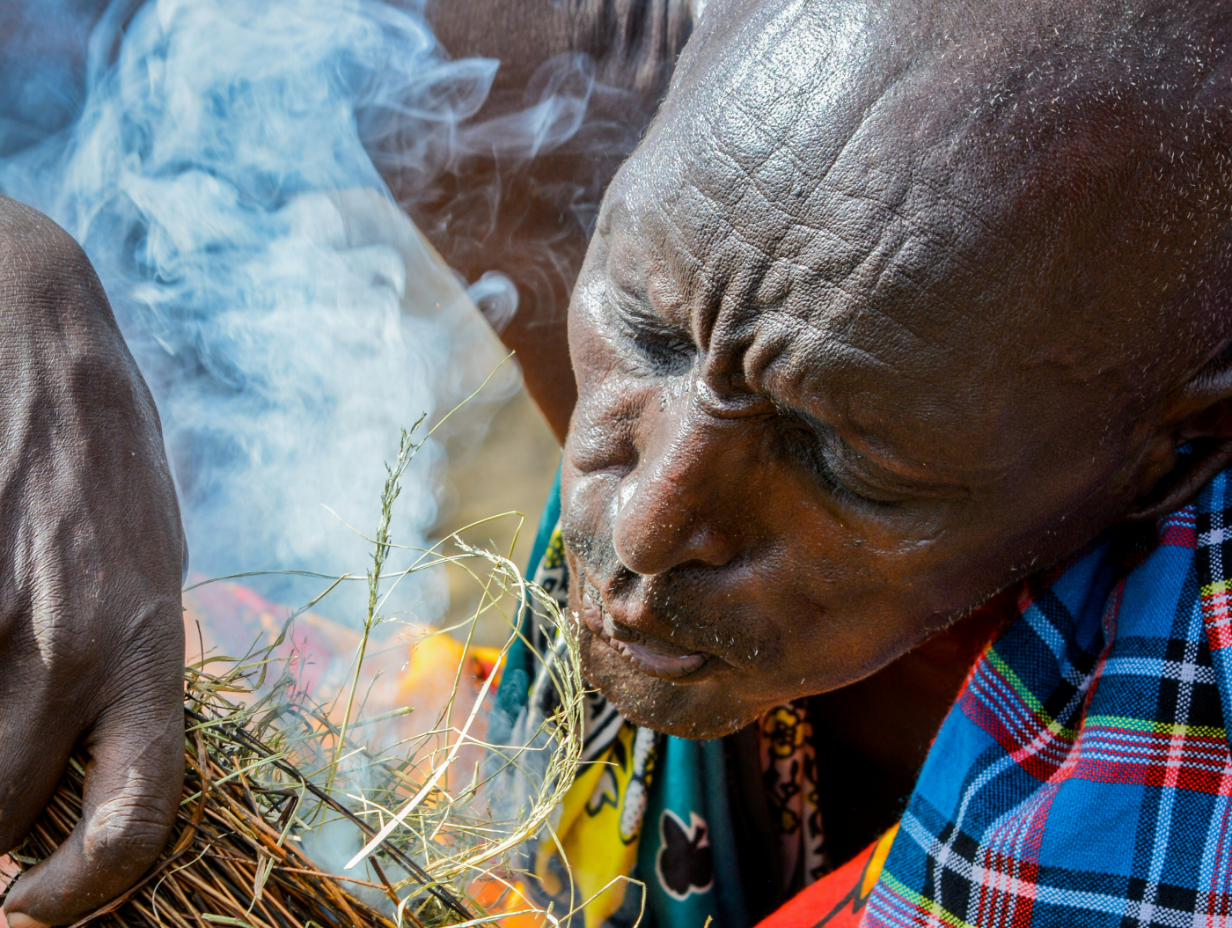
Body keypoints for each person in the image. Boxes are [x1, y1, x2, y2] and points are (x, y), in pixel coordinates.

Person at [3, 0, 1232, 925]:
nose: (643, 526)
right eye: (644, 330)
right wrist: (26, 283)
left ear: (1176, 445)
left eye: (838, 458)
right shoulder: (555, 82)